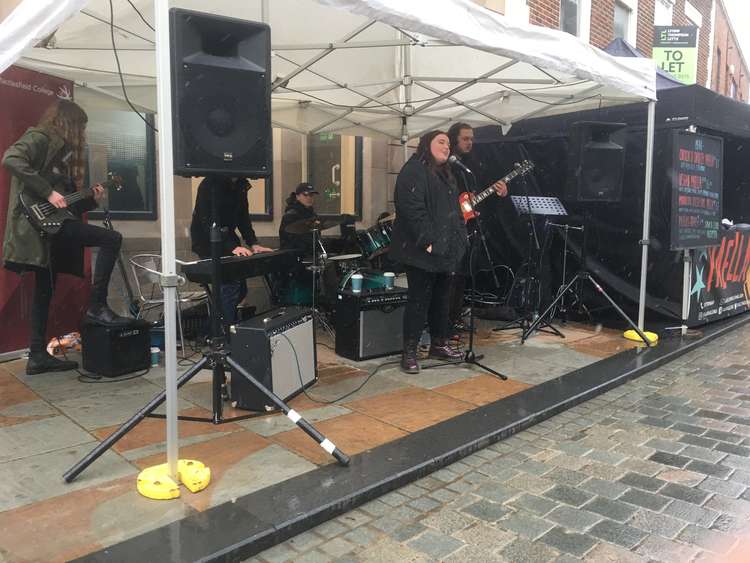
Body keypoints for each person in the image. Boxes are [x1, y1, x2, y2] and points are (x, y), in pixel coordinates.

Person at [2, 100, 129, 375]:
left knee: (44, 290)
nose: (82, 133)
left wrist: (92, 200)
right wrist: (48, 192)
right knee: (111, 238)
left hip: (52, 224)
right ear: (68, 122)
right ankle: (97, 305)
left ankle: (36, 355)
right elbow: (11, 158)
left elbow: (67, 205)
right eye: (80, 126)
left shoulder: (62, 155)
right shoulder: (40, 137)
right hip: (39, 224)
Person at [389, 130, 467, 374]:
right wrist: (428, 242)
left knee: (442, 300)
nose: (447, 147)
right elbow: (412, 209)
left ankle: (439, 344)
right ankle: (409, 352)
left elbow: (452, 212)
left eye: (448, 143)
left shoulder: (447, 174)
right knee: (419, 301)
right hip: (422, 252)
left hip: (446, 250)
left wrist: (459, 238)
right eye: (440, 142)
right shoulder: (414, 170)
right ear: (426, 145)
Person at [446, 122, 508, 335]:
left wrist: (499, 193)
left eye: (472, 138)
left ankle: (454, 318)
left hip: (468, 229)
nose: (470, 143)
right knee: (450, 278)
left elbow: (478, 200)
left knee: (462, 276)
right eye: (465, 138)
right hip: (448, 230)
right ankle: (443, 322)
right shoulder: (446, 165)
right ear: (454, 139)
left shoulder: (471, 166)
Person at [190, 175, 272, 326]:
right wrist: (231, 247)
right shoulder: (210, 184)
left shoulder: (241, 185)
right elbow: (207, 221)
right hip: (207, 241)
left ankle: (223, 325)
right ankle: (225, 331)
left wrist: (253, 243)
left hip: (228, 238)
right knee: (229, 285)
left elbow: (243, 218)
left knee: (241, 289)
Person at [279, 182, 319, 256]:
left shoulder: (313, 215)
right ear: (297, 197)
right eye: (305, 195)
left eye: (311, 195)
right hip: (293, 258)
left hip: (310, 255)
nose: (309, 198)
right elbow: (291, 241)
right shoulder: (290, 215)